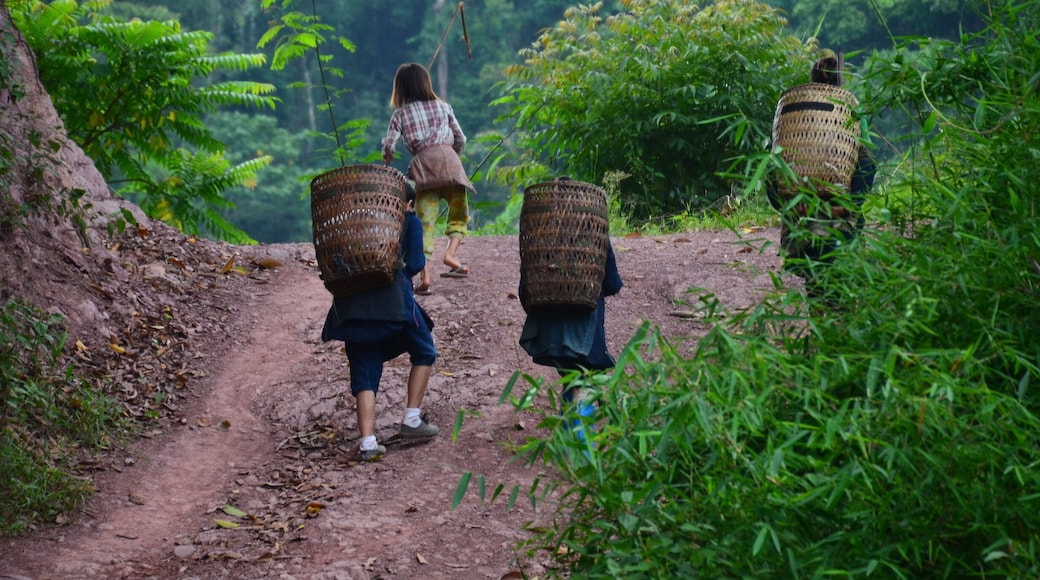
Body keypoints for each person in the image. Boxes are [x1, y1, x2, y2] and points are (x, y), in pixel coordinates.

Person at [320, 183, 439, 462]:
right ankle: (411, 419)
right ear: (405, 203)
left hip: (351, 307)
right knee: (424, 350)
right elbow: (415, 263)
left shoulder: (349, 224)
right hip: (394, 302)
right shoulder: (408, 221)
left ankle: (368, 443)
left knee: (364, 371)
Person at [768, 49, 876, 296]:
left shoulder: (794, 113)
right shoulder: (850, 110)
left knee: (815, 283)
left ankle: (819, 309)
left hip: (800, 219)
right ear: (839, 82)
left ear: (812, 79)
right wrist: (849, 204)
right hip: (840, 218)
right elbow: (867, 164)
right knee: (839, 281)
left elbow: (772, 171)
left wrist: (787, 206)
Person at [382, 62, 476, 295]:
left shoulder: (400, 114)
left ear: (400, 88)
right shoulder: (444, 106)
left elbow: (389, 147)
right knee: (459, 215)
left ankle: (426, 279)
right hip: (451, 165)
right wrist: (451, 157)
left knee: (425, 224)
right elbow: (461, 138)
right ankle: (451, 256)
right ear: (426, 83)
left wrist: (387, 161)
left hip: (425, 170)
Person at [518, 234, 623, 433]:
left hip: (549, 329)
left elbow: (525, 291)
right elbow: (612, 284)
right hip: (585, 333)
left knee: (572, 379)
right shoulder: (596, 235)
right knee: (583, 382)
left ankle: (566, 439)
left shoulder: (540, 237)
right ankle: (581, 443)